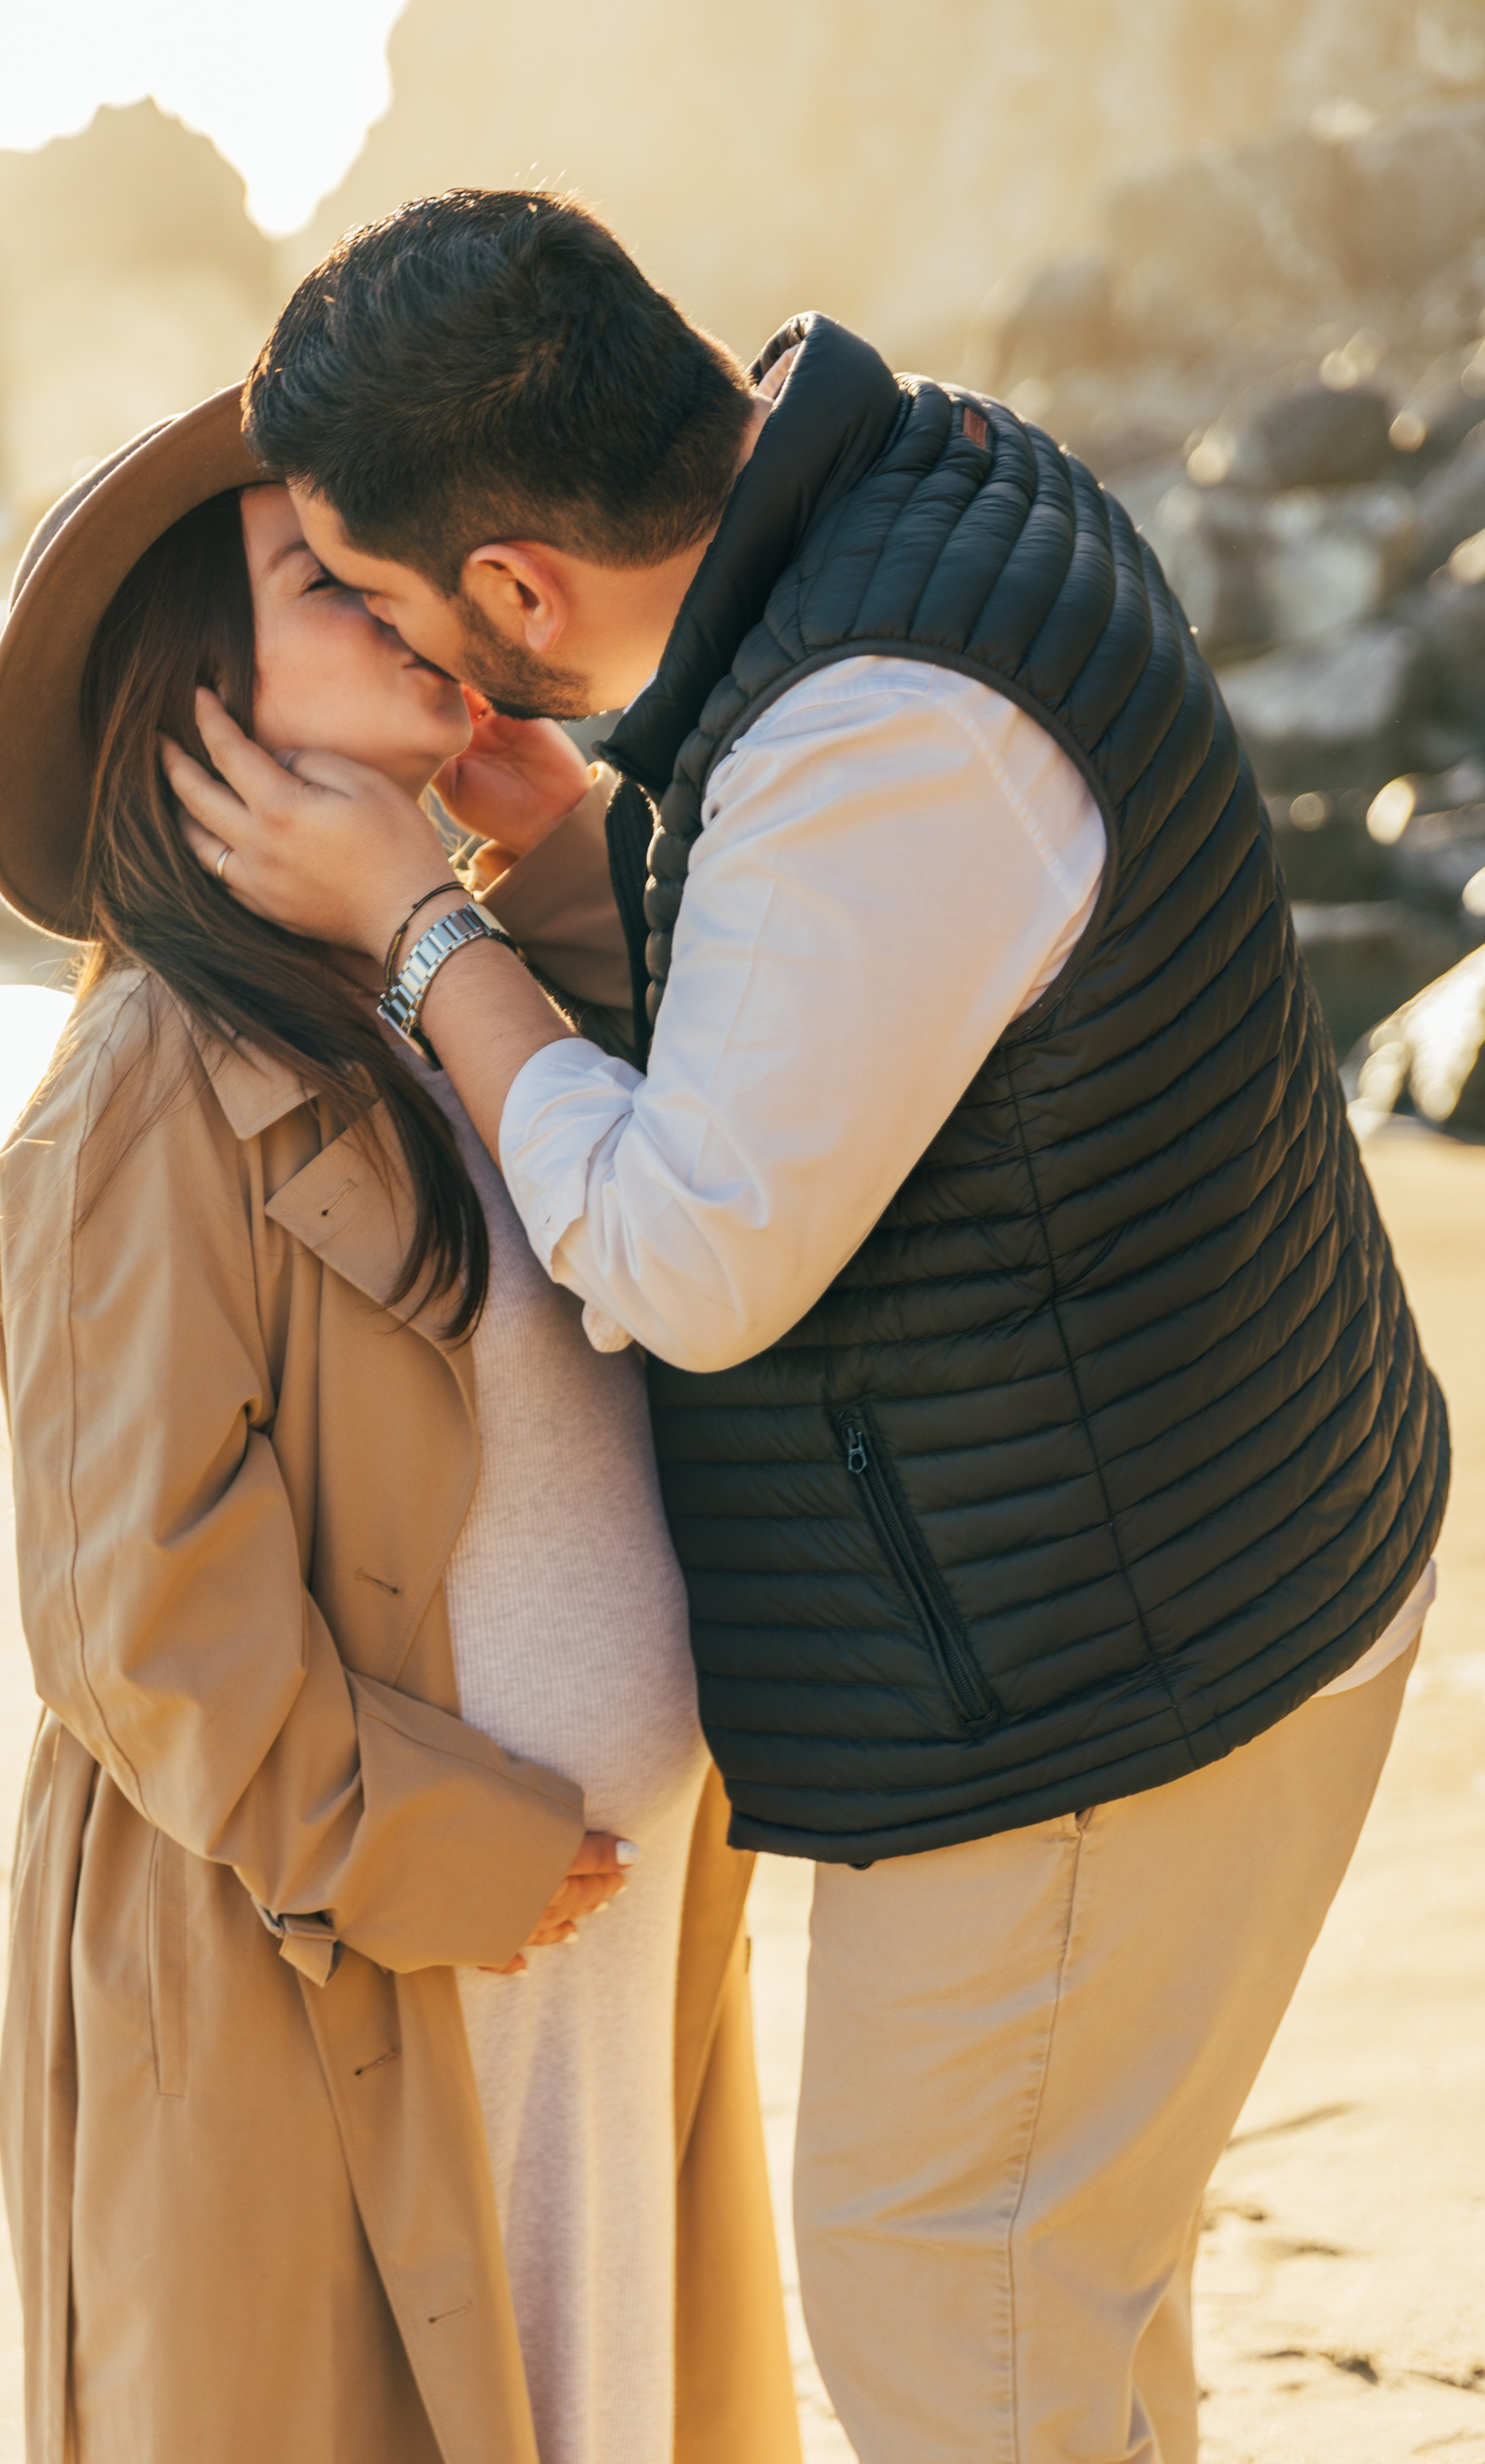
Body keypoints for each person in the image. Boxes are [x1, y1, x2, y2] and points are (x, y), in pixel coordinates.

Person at [167, 193, 1450, 2463]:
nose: (399, 655)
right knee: (1060, 2307)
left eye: (377, 594)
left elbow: (686, 1247)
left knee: (950, 2301)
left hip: (1108, 1686)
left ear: (522, 590)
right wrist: (572, 857)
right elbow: (844, 1016)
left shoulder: (877, 728)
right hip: (1211, 1560)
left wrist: (414, 935)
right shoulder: (907, 492)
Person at [0, 389, 801, 2464]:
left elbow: (699, 1171)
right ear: (201, 694)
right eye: (323, 585)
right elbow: (134, 1612)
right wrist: (444, 1853)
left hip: (574, 1959)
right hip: (354, 1962)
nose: (403, 603)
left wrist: (563, 853)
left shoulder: (454, 990)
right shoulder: (154, 1080)